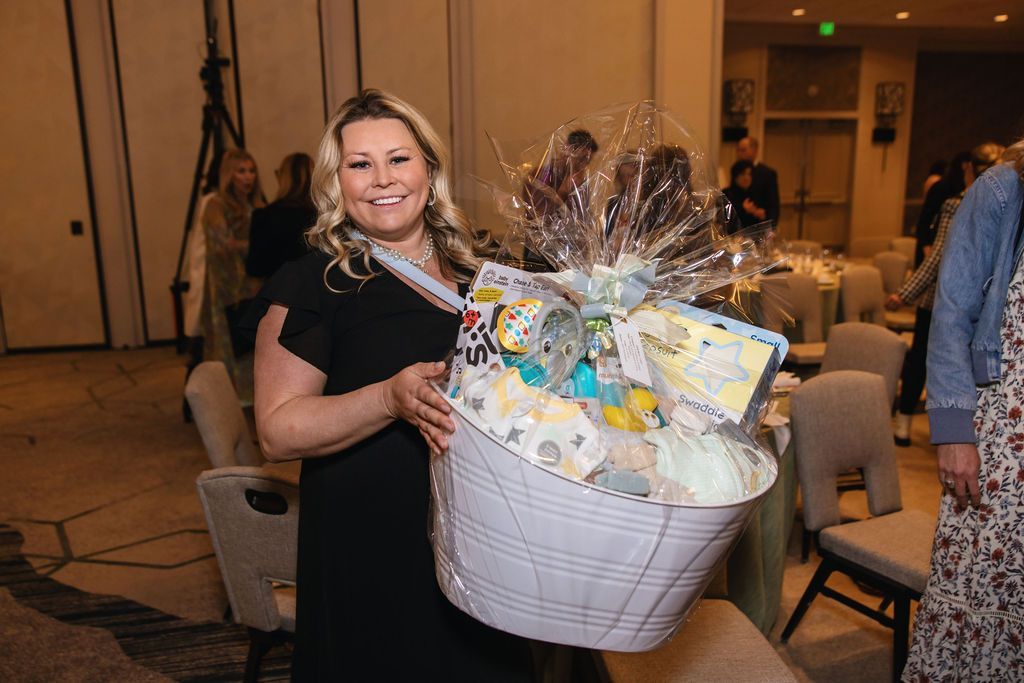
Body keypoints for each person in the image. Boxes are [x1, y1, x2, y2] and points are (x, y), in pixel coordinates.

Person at [244, 89, 532, 681]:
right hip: (374, 538)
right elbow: (276, 430)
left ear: (428, 167)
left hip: (486, 536)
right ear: (336, 181)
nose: (382, 179)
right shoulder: (313, 282)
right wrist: (386, 398)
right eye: (360, 164)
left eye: (398, 159)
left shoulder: (485, 270)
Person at [903, 138, 1024, 679]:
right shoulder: (1002, 189)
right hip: (1004, 432)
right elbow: (950, 316)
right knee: (985, 585)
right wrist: (954, 432)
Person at [887, 143, 1004, 447]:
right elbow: (942, 257)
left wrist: (903, 293)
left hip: (971, 304)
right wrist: (906, 293)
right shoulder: (958, 205)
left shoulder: (999, 204)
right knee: (923, 361)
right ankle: (904, 422)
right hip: (943, 302)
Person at [199, 148, 264, 399]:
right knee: (228, 348)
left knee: (254, 347)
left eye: (251, 170)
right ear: (229, 175)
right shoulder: (216, 204)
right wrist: (259, 244)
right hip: (227, 291)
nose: (248, 177)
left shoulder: (256, 204)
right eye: (241, 171)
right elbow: (222, 245)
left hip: (254, 287)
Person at [246, 152, 316, 278]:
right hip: (317, 293)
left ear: (283, 178)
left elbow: (254, 268)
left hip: (276, 292)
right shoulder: (324, 216)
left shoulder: (265, 216)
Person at [914, 150, 970, 266]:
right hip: (932, 247)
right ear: (964, 166)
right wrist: (927, 250)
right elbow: (924, 221)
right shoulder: (942, 188)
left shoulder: (970, 192)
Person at [736, 136, 779, 226]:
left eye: (743, 150)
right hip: (741, 224)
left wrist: (772, 227)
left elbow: (773, 204)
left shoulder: (767, 173)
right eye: (738, 150)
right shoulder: (736, 171)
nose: (739, 154)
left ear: (754, 150)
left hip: (759, 223)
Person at [723, 159, 767, 231]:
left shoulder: (755, 194)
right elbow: (723, 219)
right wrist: (742, 208)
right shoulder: (727, 194)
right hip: (731, 238)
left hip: (753, 239)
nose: (746, 178)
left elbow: (761, 222)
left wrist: (760, 215)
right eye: (743, 174)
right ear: (735, 176)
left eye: (749, 174)